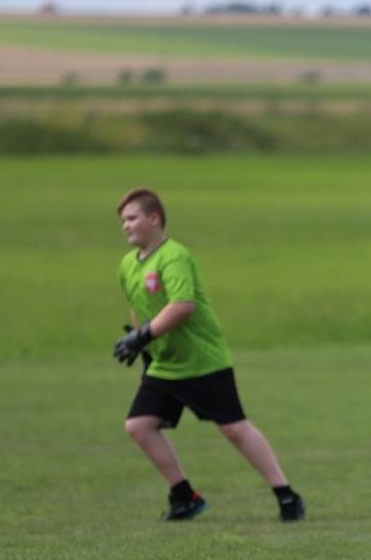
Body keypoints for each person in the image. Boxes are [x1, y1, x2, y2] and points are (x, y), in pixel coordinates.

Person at [112, 188, 304, 522]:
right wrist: (140, 343)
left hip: (202, 360)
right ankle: (185, 496)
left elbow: (182, 306)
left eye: (132, 218)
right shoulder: (128, 265)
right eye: (122, 221)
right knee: (139, 425)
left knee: (234, 429)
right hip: (166, 364)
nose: (125, 226)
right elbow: (138, 308)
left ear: (153, 218)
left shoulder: (174, 256)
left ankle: (287, 495)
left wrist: (144, 335)